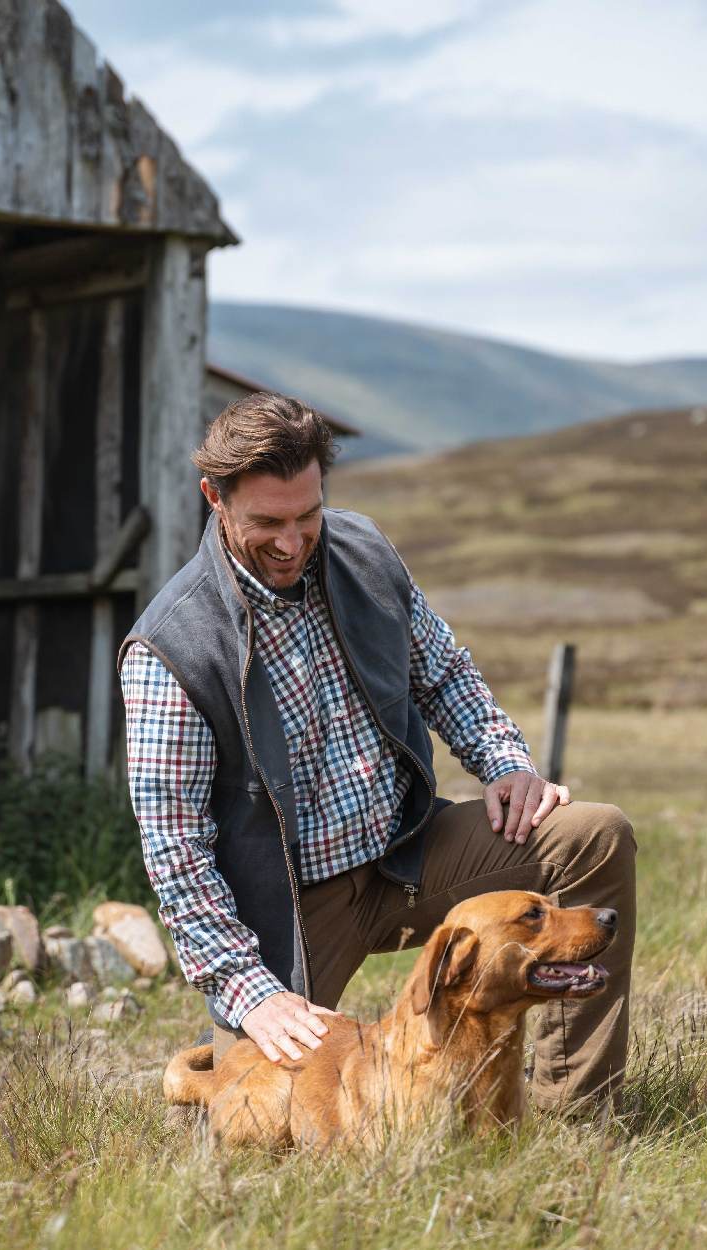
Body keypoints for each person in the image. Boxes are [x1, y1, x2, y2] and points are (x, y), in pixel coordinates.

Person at [118, 392, 635, 1112]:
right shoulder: (171, 648)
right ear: (216, 499)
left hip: (409, 855)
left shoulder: (365, 553)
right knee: (250, 1128)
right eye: (267, 522)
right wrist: (252, 990)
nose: (293, 542)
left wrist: (505, 762)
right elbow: (176, 849)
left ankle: (575, 1115)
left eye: (307, 515)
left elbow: (443, 671)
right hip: (292, 912)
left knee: (593, 837)